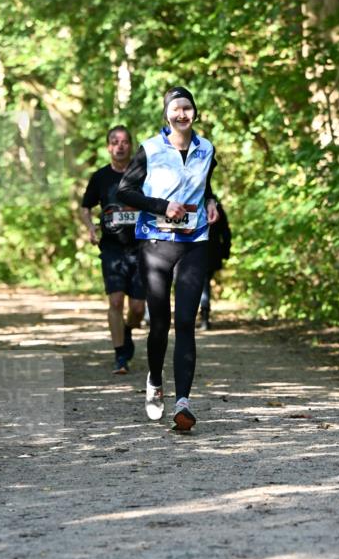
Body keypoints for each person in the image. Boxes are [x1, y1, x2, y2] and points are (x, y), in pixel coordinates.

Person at [116, 85, 219, 432]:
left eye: (187, 108)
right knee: (159, 323)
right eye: (175, 108)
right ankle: (155, 380)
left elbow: (206, 184)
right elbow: (125, 191)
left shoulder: (206, 148)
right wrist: (162, 206)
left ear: (195, 112)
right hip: (156, 242)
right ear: (166, 114)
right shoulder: (149, 148)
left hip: (195, 240)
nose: (182, 114)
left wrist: (211, 202)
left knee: (186, 321)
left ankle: (183, 403)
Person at [80, 126, 145, 374]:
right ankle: (120, 356)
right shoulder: (100, 177)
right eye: (115, 142)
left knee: (138, 309)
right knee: (116, 301)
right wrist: (90, 229)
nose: (120, 146)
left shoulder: (143, 174)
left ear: (131, 146)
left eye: (125, 142)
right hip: (112, 248)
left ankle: (128, 329)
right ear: (108, 147)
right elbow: (85, 207)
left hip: (141, 246)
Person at [199, 199, 231, 330]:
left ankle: (203, 317)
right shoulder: (217, 207)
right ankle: (204, 317)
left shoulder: (195, 202)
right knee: (205, 284)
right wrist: (225, 251)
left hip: (203, 250)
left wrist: (225, 251)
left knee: (202, 284)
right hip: (212, 251)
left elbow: (225, 232)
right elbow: (226, 232)